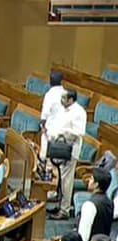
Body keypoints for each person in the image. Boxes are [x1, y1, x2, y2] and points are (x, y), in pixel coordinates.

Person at [42, 88, 87, 219]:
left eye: (63, 98)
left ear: (71, 99)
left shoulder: (79, 112)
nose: (61, 100)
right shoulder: (62, 110)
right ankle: (59, 205)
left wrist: (62, 133)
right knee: (60, 179)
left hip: (69, 150)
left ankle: (64, 210)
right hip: (58, 148)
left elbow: (79, 132)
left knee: (66, 181)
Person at [78, 171, 114, 241]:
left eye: (91, 179)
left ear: (96, 184)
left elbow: (83, 236)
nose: (89, 181)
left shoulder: (89, 205)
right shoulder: (110, 202)